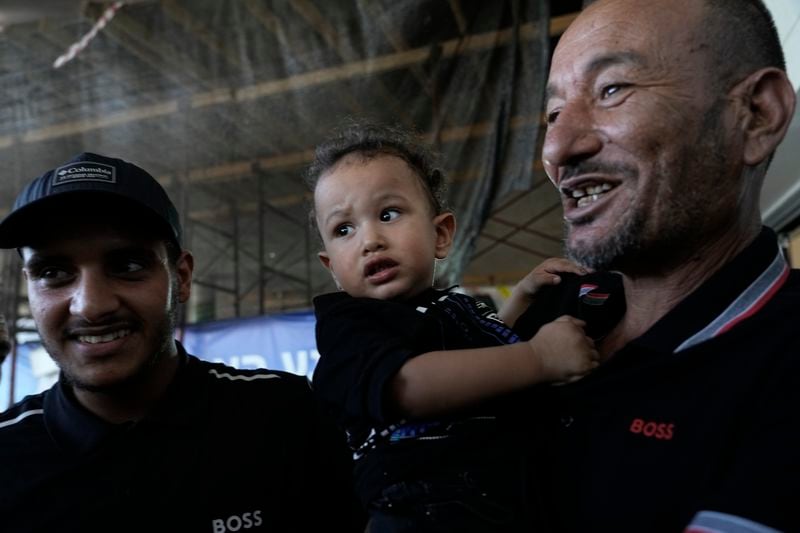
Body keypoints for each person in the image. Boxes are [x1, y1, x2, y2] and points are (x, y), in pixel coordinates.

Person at [532, 0, 799, 531]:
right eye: (554, 113)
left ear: (755, 116)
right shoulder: (551, 308)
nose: (559, 148)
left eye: (612, 89)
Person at [0, 152, 364, 533]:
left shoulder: (285, 417)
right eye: (53, 272)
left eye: (127, 266)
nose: (91, 305)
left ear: (182, 278)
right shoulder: (5, 458)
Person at [305, 122, 624, 532]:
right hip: (421, 513)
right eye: (343, 229)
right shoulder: (350, 327)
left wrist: (520, 300)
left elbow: (470, 364)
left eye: (388, 214)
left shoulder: (448, 305)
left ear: (440, 234)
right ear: (331, 267)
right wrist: (537, 357)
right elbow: (409, 386)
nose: (370, 240)